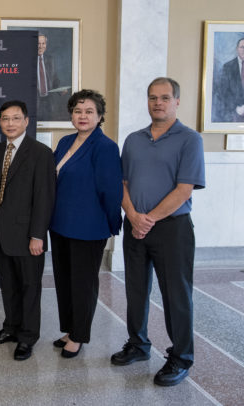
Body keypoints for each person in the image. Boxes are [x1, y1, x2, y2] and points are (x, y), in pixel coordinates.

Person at [111, 77, 205, 387]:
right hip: (135, 225)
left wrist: (147, 218)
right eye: (153, 97)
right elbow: (122, 184)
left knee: (176, 296)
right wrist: (133, 216)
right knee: (136, 290)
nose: (158, 103)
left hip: (172, 229)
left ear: (177, 101)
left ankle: (181, 358)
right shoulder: (134, 139)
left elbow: (184, 189)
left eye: (165, 98)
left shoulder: (190, 139)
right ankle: (138, 345)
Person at [49, 90, 123, 358]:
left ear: (99, 116)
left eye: (89, 111)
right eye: (78, 111)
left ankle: (79, 336)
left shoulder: (105, 147)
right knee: (65, 282)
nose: (83, 116)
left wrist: (113, 224)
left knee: (83, 284)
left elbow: (111, 191)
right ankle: (69, 329)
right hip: (59, 226)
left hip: (89, 229)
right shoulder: (65, 141)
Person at [0, 100, 55, 361]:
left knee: (29, 287)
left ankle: (27, 337)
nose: (10, 123)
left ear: (26, 121)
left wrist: (38, 235)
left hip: (27, 236)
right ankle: (10, 328)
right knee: (9, 286)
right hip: (1, 234)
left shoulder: (40, 153)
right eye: (5, 119)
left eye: (15, 118)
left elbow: (44, 197)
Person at [36, 34, 67, 122]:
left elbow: (54, 79)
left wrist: (60, 89)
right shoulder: (28, 60)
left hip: (48, 101)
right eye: (38, 43)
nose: (41, 46)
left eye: (43, 43)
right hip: (35, 101)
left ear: (46, 44)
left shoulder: (50, 60)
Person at [214, 38, 244, 122]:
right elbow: (223, 92)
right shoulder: (228, 67)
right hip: (234, 113)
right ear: (237, 49)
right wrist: (237, 108)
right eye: (242, 47)